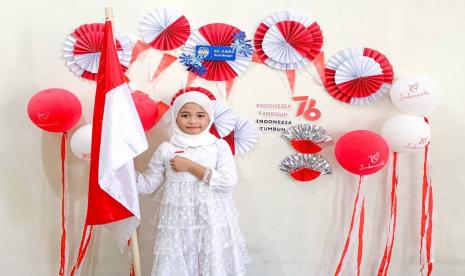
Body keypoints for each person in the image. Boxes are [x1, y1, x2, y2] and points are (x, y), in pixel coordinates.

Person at [136, 89, 250, 276]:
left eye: (200, 115)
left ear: (209, 118)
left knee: (211, 265)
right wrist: (125, 173)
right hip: (179, 224)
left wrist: (190, 166)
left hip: (211, 221)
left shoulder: (217, 146)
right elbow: (147, 185)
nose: (193, 121)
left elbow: (228, 182)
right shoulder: (167, 149)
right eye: (185, 115)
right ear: (175, 117)